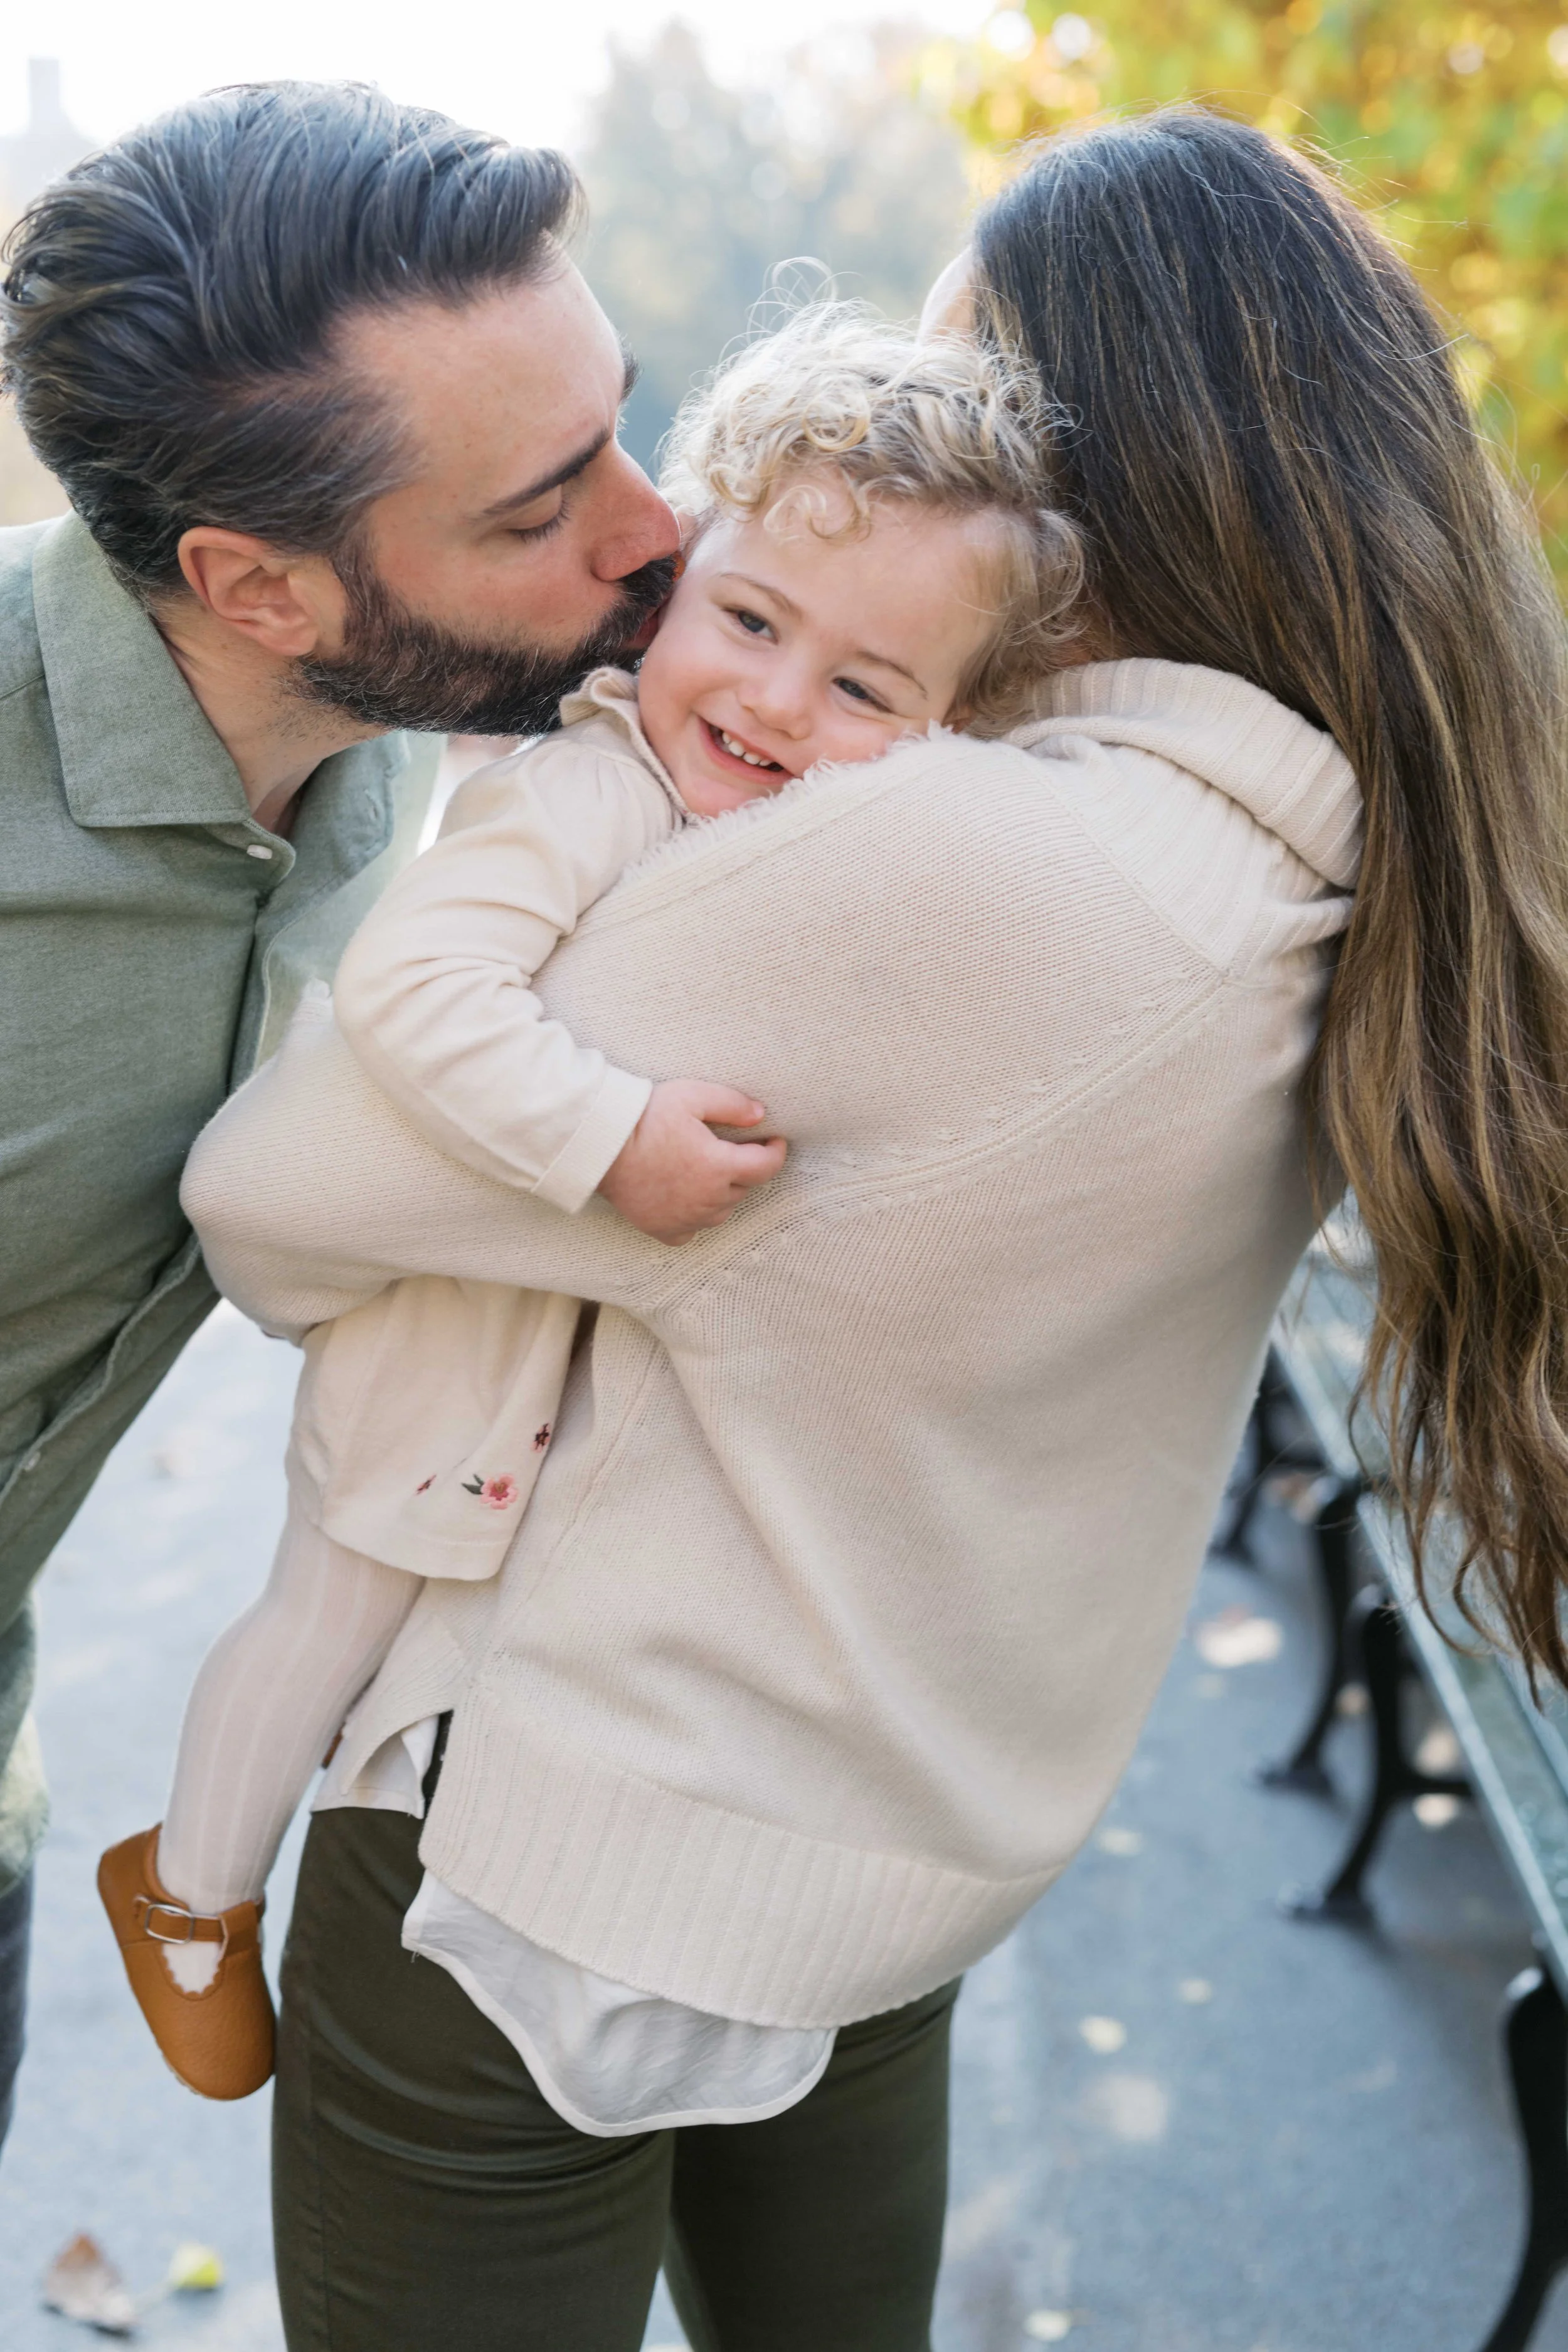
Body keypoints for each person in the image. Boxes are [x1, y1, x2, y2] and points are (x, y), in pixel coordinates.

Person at [178, 109, 1568, 2352]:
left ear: (1077, 506)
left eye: (973, 411)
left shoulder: (965, 865)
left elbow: (273, 1202)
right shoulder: (1331, 867)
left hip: (553, 1880)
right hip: (899, 1871)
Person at [98, 309, 1084, 2104]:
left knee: (417, 1647)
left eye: (864, 689)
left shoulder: (816, 845)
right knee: (330, 1619)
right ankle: (189, 1893)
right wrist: (603, 1136)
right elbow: (417, 1001)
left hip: (555, 1378)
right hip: (440, 1347)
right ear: (680, 580)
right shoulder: (584, 787)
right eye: (752, 622)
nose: (776, 703)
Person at [0, 80, 677, 2150]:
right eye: (535, 506)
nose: (657, 530)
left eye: (619, 424)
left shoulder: (431, 771)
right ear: (259, 585)